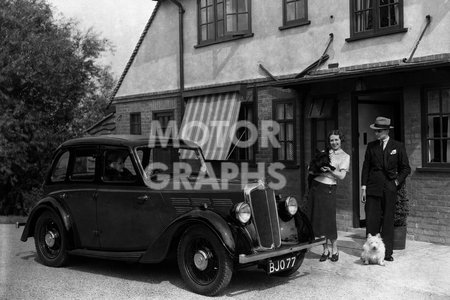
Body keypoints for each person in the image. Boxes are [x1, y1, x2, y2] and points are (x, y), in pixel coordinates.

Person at [361, 116, 411, 262]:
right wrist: (364, 187)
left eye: (379, 131)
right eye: (375, 131)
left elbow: (406, 168)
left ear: (386, 131)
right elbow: (366, 167)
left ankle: (386, 253)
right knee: (372, 219)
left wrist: (396, 183)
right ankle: (370, 254)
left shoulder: (398, 146)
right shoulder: (371, 146)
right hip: (373, 187)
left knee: (388, 220)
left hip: (389, 187)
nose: (376, 134)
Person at [309, 130, 350, 262]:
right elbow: (311, 167)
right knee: (320, 220)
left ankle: (335, 249)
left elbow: (342, 176)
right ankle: (325, 250)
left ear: (341, 140)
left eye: (336, 140)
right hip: (316, 187)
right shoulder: (324, 152)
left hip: (329, 189)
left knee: (329, 220)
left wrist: (331, 169)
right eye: (332, 140)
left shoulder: (345, 156)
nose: (334, 142)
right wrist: (317, 168)